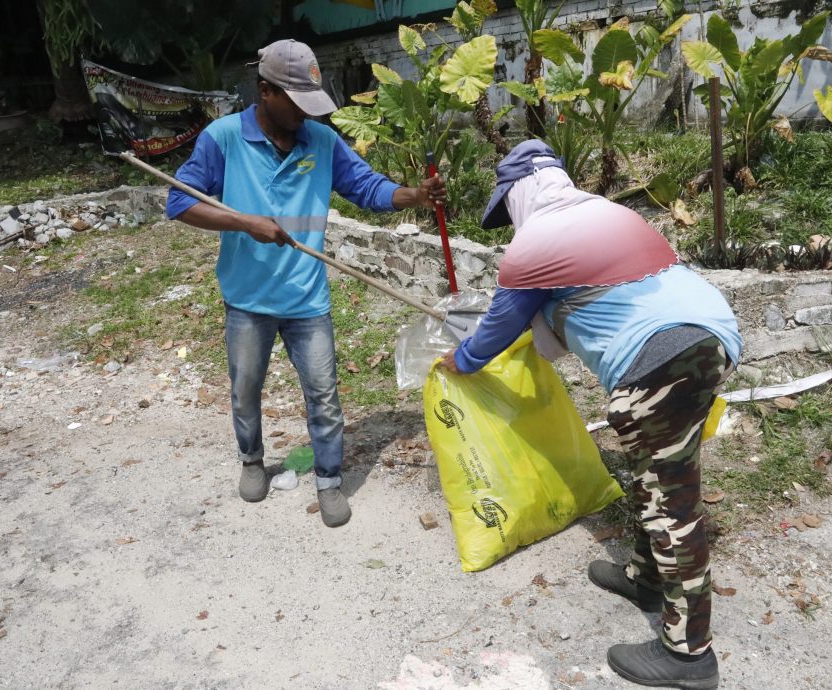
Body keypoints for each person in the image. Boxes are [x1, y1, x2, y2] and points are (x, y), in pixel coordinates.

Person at [440, 139, 742, 690]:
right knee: (660, 479)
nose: (509, 221)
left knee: (672, 505)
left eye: (506, 207)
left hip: (660, 357)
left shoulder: (534, 243)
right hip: (710, 336)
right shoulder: (608, 213)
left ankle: (688, 655)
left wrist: (457, 362)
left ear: (520, 193)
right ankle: (647, 578)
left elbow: (498, 329)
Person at [165, 39, 445, 528]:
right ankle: (252, 461)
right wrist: (245, 223)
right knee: (245, 390)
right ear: (265, 91)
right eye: (295, 102)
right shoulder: (223, 138)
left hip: (306, 299)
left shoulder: (321, 141)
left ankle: (330, 480)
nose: (303, 114)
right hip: (247, 299)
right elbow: (180, 203)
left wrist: (413, 195)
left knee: (324, 394)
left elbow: (368, 188)